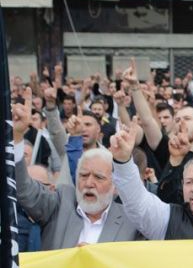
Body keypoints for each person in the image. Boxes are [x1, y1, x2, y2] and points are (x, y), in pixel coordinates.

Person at [13, 99, 140, 249]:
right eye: (83, 175)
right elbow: (24, 190)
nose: (89, 183)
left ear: (115, 186)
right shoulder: (60, 202)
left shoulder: (132, 222)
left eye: (99, 177)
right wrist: (17, 137)